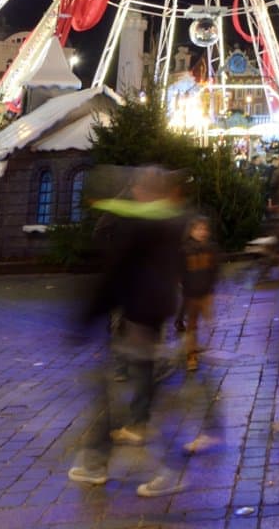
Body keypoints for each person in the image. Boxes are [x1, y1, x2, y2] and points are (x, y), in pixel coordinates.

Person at [71, 167, 187, 497]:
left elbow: (115, 274)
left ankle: (165, 467)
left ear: (140, 190)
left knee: (120, 393)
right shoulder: (167, 218)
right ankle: (96, 459)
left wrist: (84, 320)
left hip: (138, 315)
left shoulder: (141, 223)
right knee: (129, 391)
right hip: (151, 313)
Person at [181, 215, 219, 372]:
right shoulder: (184, 250)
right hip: (191, 294)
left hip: (205, 292)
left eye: (204, 228)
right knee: (192, 325)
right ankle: (191, 355)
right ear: (191, 231)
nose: (202, 232)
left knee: (207, 321)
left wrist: (211, 290)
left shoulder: (211, 249)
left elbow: (214, 271)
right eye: (198, 228)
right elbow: (181, 272)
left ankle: (195, 347)